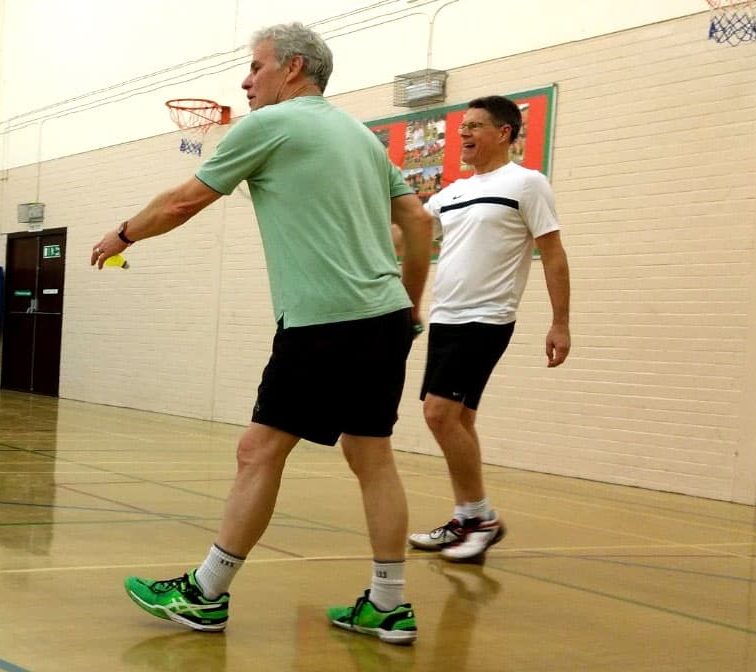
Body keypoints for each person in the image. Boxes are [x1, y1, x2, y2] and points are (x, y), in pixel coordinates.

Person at [95, 22, 433, 644]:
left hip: (325, 322)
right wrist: (411, 305)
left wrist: (122, 235)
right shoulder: (360, 137)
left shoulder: (270, 124)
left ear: (294, 68)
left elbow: (181, 202)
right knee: (372, 456)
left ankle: (205, 593)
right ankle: (387, 604)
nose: (246, 81)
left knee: (258, 450)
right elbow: (417, 219)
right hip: (384, 320)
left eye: (256, 67)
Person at [408, 95, 571, 562]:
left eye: (475, 126)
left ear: (504, 133)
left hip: (486, 317)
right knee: (459, 420)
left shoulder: (527, 183)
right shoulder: (453, 192)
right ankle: (466, 518)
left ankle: (482, 518)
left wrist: (560, 323)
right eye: (462, 127)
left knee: (439, 414)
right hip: (445, 317)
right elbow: (408, 232)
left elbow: (553, 254)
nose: (464, 134)